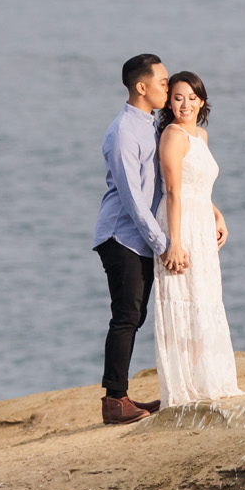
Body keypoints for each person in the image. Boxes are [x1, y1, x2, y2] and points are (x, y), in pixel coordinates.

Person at [152, 71, 244, 406]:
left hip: (202, 221)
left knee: (203, 298)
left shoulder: (200, 136)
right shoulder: (172, 136)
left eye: (192, 97)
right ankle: (184, 387)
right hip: (181, 223)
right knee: (183, 298)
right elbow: (174, 190)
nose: (185, 104)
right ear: (169, 102)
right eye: (178, 97)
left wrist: (217, 214)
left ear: (202, 101)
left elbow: (198, 185)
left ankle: (208, 381)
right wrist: (173, 243)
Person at [93, 54, 169, 424]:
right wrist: (163, 243)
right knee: (125, 317)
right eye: (163, 83)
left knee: (133, 316)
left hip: (139, 237)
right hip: (121, 237)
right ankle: (114, 402)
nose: (167, 89)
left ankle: (121, 395)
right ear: (142, 87)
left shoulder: (152, 126)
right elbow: (133, 198)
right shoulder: (124, 132)